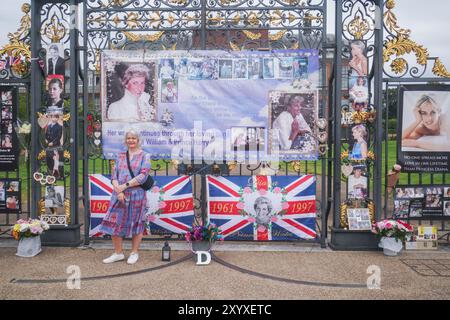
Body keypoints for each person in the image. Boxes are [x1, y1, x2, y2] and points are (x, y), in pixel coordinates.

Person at [99, 129, 151, 265]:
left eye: (134, 138)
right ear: (125, 140)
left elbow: (143, 176)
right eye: (129, 138)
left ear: (138, 140)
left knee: (137, 223)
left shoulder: (145, 156)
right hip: (119, 194)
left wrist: (125, 186)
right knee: (114, 222)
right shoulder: (120, 156)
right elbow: (114, 175)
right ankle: (118, 253)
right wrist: (119, 190)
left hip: (137, 194)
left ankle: (134, 252)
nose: (131, 140)